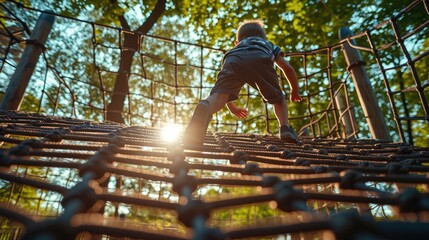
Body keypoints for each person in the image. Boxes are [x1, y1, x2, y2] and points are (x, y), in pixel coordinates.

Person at [183, 19, 302, 146]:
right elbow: (287, 68)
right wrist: (294, 90)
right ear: (263, 37)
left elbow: (225, 89)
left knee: (219, 95)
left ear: (236, 42)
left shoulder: (237, 47)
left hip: (232, 58)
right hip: (260, 57)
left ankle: (205, 106)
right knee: (278, 98)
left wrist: (233, 108)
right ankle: (285, 128)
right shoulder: (268, 44)